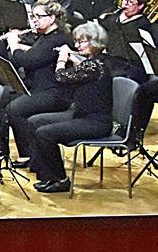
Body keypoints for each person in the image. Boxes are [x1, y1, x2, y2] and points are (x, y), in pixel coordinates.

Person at [23, 21, 115, 194]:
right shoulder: (92, 62)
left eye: (82, 42)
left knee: (45, 133)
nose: (77, 45)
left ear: (94, 42)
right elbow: (82, 71)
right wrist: (75, 59)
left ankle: (61, 179)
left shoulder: (95, 65)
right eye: (77, 42)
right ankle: (46, 174)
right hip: (80, 114)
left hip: (95, 122)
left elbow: (61, 77)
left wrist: (62, 59)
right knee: (34, 121)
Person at [0, 0, 72, 165]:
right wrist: (22, 47)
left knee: (15, 109)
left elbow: (30, 61)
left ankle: (31, 155)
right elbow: (39, 54)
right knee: (3, 99)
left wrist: (14, 44)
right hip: (37, 87)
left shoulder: (58, 38)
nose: (34, 20)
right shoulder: (45, 36)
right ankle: (0, 150)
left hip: (54, 93)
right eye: (33, 16)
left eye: (39, 16)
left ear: (52, 18)